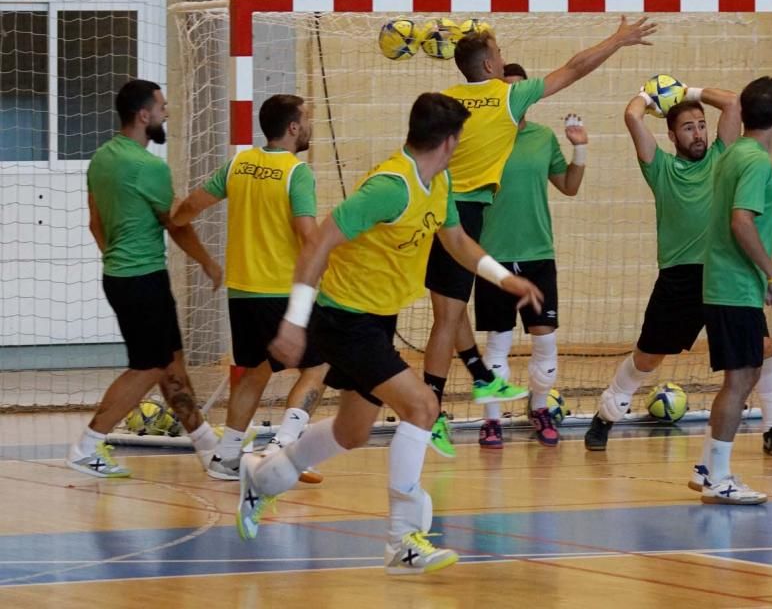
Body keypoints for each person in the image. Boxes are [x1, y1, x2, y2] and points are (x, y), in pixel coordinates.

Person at [236, 93, 542, 576]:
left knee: (351, 432)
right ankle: (402, 541)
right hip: (343, 319)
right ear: (450, 140)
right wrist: (295, 321)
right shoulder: (389, 186)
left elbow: (456, 241)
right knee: (422, 405)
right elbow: (317, 243)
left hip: (377, 320)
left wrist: (505, 279)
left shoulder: (438, 182)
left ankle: (263, 476)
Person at [423, 16, 657, 456]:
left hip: (435, 211)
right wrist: (617, 39)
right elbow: (574, 67)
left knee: (447, 318)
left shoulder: (445, 102)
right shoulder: (508, 96)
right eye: (498, 51)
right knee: (452, 320)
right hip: (469, 218)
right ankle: (431, 412)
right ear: (491, 65)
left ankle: (438, 406)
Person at [584, 82, 772, 459]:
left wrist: (688, 90)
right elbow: (632, 115)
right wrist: (653, 95)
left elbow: (732, 102)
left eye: (701, 125)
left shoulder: (723, 155)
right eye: (687, 127)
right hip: (679, 280)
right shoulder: (661, 168)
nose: (697, 133)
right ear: (671, 134)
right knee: (648, 358)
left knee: (761, 350)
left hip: (724, 274)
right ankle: (606, 413)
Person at [69, 79, 223, 477]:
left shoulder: (102, 158)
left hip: (125, 277)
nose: (166, 112)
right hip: (142, 280)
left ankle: (208, 448)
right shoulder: (149, 168)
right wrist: (208, 261)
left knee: (171, 364)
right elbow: (176, 224)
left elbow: (95, 224)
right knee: (150, 367)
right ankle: (87, 447)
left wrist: (119, 262)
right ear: (144, 115)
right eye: (162, 106)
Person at [170, 94, 329, 482]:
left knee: (254, 373)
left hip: (241, 293)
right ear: (293, 127)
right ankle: (282, 450)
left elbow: (187, 209)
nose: (309, 126)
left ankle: (225, 459)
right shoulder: (297, 172)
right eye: (306, 119)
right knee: (320, 366)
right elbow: (309, 235)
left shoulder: (238, 164)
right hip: (281, 290)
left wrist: (168, 213)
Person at [475, 63, 586, 449]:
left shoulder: (543, 138)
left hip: (538, 254)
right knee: (498, 345)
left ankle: (540, 409)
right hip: (493, 257)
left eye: (520, 91)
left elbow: (569, 186)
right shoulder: (483, 137)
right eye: (508, 91)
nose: (516, 98)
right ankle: (491, 422)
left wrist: (580, 146)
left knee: (544, 341)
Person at [694, 76, 772, 505]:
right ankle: (719, 476)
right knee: (739, 380)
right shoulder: (754, 162)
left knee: (747, 373)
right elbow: (741, 222)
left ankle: (707, 465)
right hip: (734, 286)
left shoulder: (734, 154)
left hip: (733, 284)